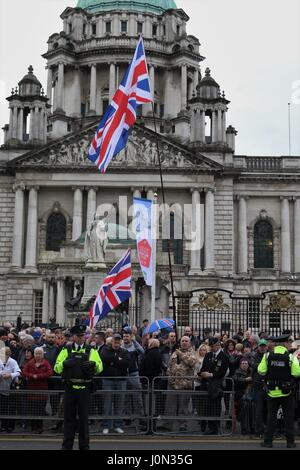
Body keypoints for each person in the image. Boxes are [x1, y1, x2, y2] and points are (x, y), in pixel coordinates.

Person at [54, 324, 103, 451]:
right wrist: (64, 364)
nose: (81, 338)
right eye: (78, 336)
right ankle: (66, 446)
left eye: (82, 335)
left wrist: (93, 364)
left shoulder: (91, 350)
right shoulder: (66, 350)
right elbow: (56, 367)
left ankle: (84, 447)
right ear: (73, 337)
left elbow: (100, 367)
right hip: (70, 388)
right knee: (68, 419)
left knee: (83, 420)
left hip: (84, 389)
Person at [258, 334, 300, 448]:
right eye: (289, 342)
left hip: (272, 392)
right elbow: (297, 373)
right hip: (287, 392)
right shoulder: (291, 357)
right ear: (285, 343)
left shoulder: (267, 356)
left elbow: (261, 371)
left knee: (271, 417)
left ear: (276, 344)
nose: (290, 344)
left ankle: (268, 442)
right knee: (288, 417)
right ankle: (290, 442)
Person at [100, 333, 130, 434]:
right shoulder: (105, 350)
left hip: (121, 380)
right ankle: (106, 425)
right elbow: (105, 359)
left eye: (118, 342)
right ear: (111, 341)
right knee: (107, 404)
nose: (116, 344)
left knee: (119, 404)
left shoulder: (125, 351)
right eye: (115, 341)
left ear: (120, 342)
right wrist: (117, 359)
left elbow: (126, 363)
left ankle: (118, 425)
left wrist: (112, 362)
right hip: (108, 379)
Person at [200, 337, 230, 435]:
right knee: (205, 407)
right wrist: (201, 373)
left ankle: (214, 428)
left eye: (213, 346)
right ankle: (206, 426)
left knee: (215, 408)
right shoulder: (208, 355)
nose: (212, 348)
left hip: (216, 386)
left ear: (217, 345)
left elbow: (222, 372)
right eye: (211, 346)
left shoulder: (224, 356)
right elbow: (203, 367)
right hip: (206, 384)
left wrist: (211, 374)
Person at [22, 347, 53, 433]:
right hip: (31, 390)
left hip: (42, 391)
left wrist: (39, 376)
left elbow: (50, 372)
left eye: (40, 353)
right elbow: (24, 372)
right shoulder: (29, 363)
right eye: (36, 353)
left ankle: (39, 428)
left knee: (40, 410)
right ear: (34, 354)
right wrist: (32, 376)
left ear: (43, 354)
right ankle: (33, 428)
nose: (38, 355)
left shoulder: (46, 363)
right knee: (32, 410)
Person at [0, 347, 21, 432]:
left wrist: (10, 375)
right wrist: (1, 373)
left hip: (11, 388)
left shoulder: (13, 362)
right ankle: (3, 426)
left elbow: (18, 372)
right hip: (1, 388)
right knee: (3, 408)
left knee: (11, 408)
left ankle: (10, 427)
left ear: (8, 355)